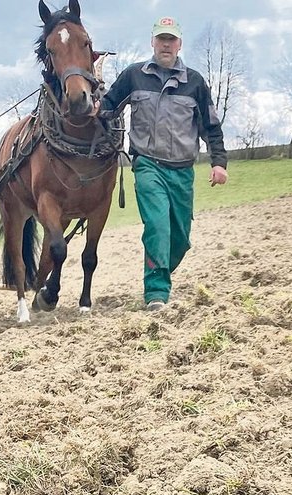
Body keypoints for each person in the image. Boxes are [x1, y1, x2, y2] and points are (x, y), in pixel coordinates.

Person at [97, 16, 228, 311]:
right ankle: (156, 293)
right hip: (148, 165)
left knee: (179, 239)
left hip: (182, 171)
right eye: (161, 39)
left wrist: (219, 163)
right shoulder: (134, 75)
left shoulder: (195, 82)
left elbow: (211, 127)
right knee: (157, 226)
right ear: (152, 42)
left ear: (179, 44)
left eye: (171, 40)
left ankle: (160, 273)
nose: (166, 45)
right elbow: (107, 107)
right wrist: (91, 106)